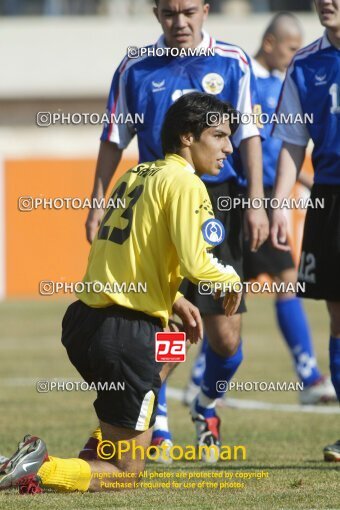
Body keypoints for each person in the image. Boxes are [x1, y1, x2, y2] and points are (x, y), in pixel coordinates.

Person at [0, 93, 243, 493]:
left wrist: (174, 299)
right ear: (187, 136)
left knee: (175, 345)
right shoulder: (186, 183)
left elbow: (125, 251)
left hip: (84, 322)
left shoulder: (137, 174)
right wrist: (230, 280)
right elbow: (198, 264)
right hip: (125, 335)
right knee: (127, 475)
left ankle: (95, 449)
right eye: (218, 136)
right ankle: (37, 469)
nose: (228, 147)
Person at [83, 0, 268, 463]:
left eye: (188, 11)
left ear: (206, 10)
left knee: (225, 337)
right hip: (158, 198)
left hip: (219, 201)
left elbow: (248, 137)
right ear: (156, 14)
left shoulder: (233, 61)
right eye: (169, 13)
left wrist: (261, 202)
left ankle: (205, 404)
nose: (179, 22)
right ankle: (155, 422)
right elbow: (113, 134)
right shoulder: (135, 66)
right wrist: (96, 200)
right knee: (160, 321)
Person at [183, 12, 336, 407]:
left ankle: (203, 378)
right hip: (248, 196)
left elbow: (291, 142)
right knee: (262, 282)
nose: (291, 55)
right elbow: (270, 143)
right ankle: (306, 373)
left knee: (229, 293)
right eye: (287, 48)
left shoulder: (287, 79)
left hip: (264, 196)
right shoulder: (241, 73)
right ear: (270, 44)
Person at [271, 0, 340, 461]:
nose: (327, 2)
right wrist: (277, 204)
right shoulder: (305, 63)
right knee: (338, 316)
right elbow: (293, 142)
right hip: (331, 198)